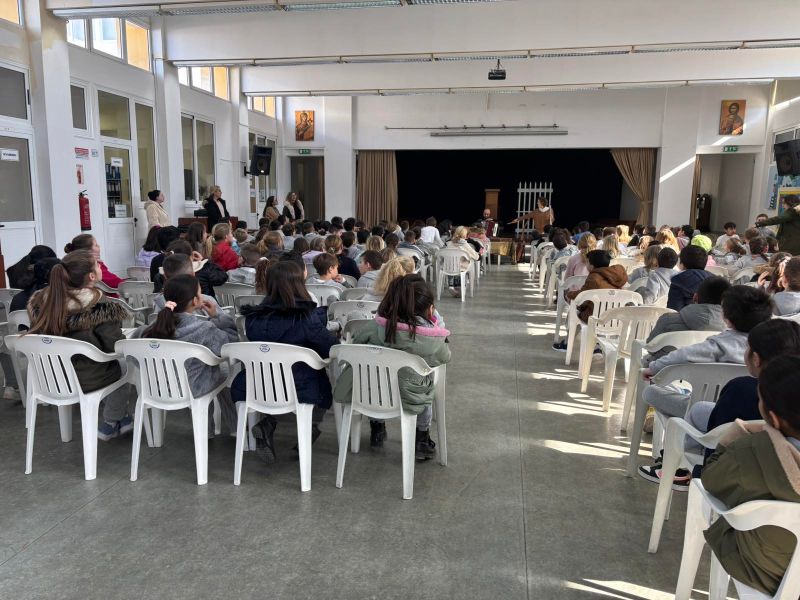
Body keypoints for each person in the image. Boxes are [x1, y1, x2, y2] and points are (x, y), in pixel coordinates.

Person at [638, 286, 773, 471]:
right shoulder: (771, 346)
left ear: (727, 318)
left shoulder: (718, 345)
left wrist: (653, 368)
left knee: (652, 392)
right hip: (754, 420)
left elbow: (682, 355)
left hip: (710, 412)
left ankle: (679, 462)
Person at [701, 355, 800, 596]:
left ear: (773, 417)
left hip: (770, 570)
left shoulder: (753, 451)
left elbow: (711, 479)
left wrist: (737, 433)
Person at [333, 274, 451, 458]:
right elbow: (444, 357)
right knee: (424, 379)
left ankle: (377, 429)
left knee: (373, 379)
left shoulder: (375, 327)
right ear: (429, 308)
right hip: (413, 398)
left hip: (374, 396)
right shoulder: (432, 339)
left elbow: (357, 344)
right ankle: (421, 438)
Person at [232, 259, 338, 461]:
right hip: (298, 387)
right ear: (298, 284)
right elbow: (330, 349)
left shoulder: (252, 319)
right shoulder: (306, 318)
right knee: (323, 385)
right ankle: (310, 428)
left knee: (276, 379)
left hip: (255, 385)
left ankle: (268, 423)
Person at [26, 250, 134, 440]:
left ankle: (123, 419)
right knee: (126, 365)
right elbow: (115, 347)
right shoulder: (99, 304)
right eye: (98, 265)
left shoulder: (43, 301)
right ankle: (111, 420)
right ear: (92, 276)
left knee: (110, 366)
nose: (101, 266)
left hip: (51, 377)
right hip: (87, 378)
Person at [685, 319, 800, 467]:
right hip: (776, 461)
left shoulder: (741, 389)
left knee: (697, 411)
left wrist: (703, 470)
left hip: (736, 466)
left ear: (756, 359)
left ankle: (684, 469)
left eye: (747, 347)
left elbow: (717, 440)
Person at [132, 273, 237, 434]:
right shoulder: (204, 329)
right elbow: (230, 344)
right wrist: (217, 316)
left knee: (204, 370)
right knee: (222, 371)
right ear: (195, 301)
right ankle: (234, 427)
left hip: (157, 389)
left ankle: (207, 430)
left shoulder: (149, 330)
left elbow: (133, 357)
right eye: (200, 292)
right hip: (194, 388)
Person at [646, 276, 730, 355]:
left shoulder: (667, 320)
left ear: (695, 297)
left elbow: (650, 347)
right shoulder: (733, 332)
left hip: (666, 365)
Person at [561, 249, 628, 329]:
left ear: (591, 265)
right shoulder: (616, 276)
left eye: (587, 262)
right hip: (614, 318)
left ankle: (570, 336)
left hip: (595, 317)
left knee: (572, 312)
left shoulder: (594, 278)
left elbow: (582, 296)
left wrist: (570, 294)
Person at [667, 245, 712, 311]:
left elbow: (673, 310)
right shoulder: (716, 279)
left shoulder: (678, 281)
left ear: (682, 262)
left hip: (688, 316)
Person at [445, 226, 479, 297]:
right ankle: (460, 287)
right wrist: (478, 255)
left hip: (449, 267)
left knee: (452, 265)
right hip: (461, 267)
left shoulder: (449, 243)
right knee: (465, 265)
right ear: (465, 235)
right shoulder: (465, 244)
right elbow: (475, 256)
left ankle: (451, 285)